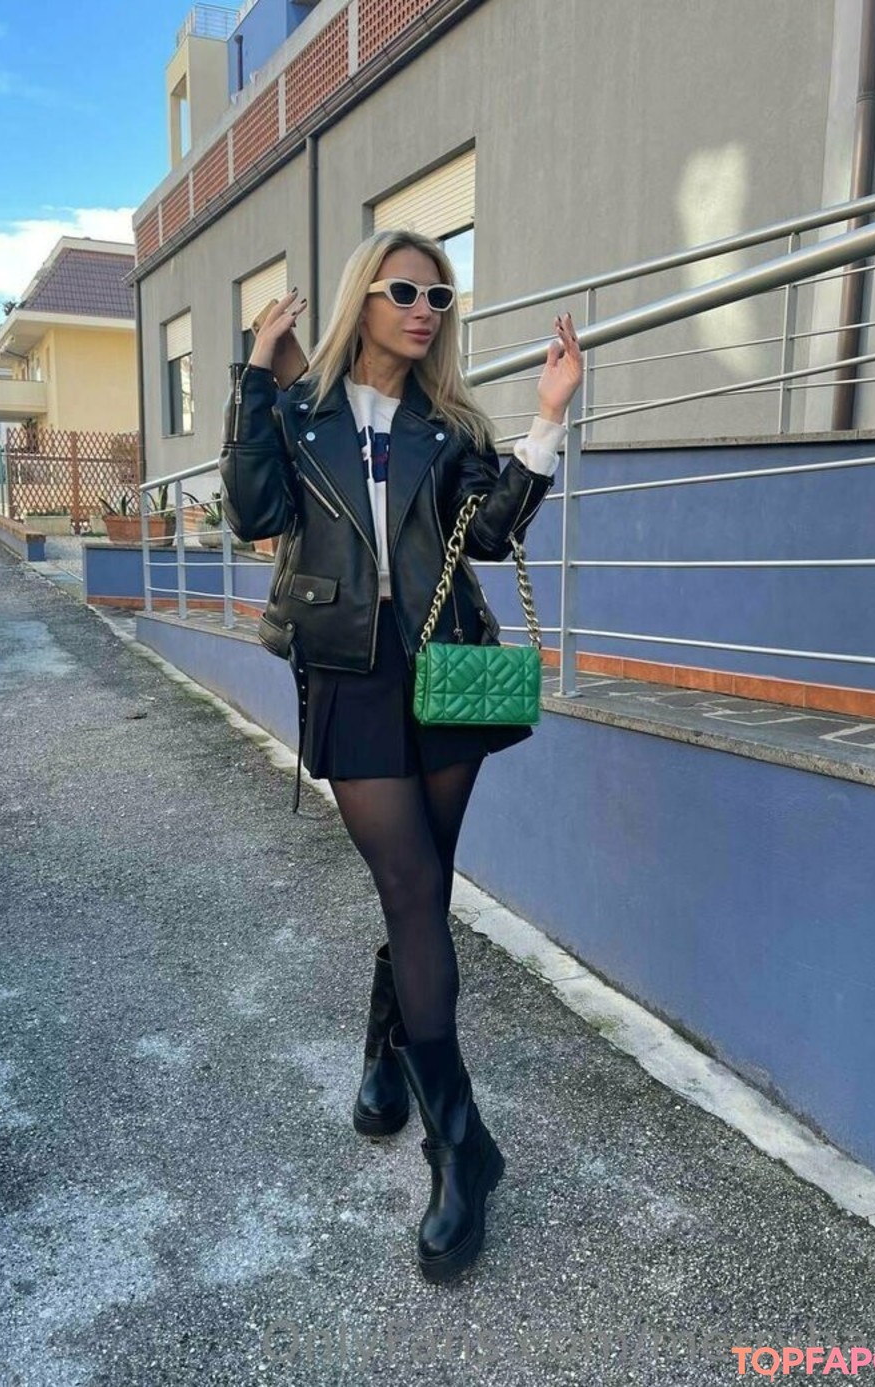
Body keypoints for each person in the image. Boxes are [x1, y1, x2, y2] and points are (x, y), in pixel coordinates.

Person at [220, 229, 583, 1282]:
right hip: (350, 673)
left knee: (422, 885)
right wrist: (253, 373)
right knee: (412, 888)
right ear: (364, 299)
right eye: (406, 291)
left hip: (445, 669)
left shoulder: (449, 424)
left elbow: (490, 536)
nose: (425, 310)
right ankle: (461, 1146)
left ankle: (388, 1056)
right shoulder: (301, 412)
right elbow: (253, 512)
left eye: (440, 296)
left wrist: (548, 418)